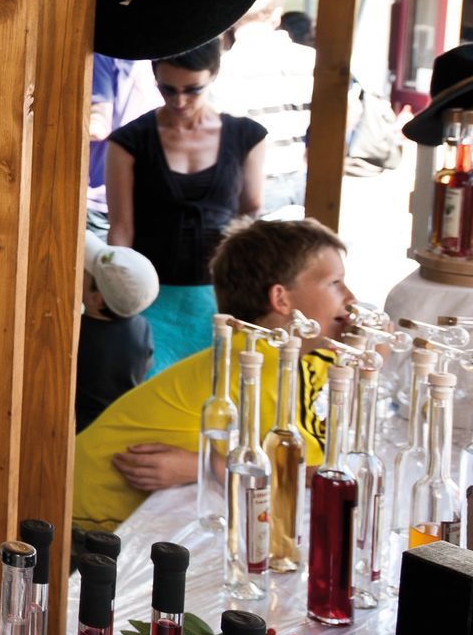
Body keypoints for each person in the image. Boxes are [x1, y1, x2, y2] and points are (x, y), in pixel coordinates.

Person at [72, 217, 354, 531]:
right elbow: (313, 474)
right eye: (335, 283)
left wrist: (204, 466)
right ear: (282, 299)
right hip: (87, 522)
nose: (351, 298)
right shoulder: (261, 362)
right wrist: (209, 466)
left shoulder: (291, 355)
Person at [107, 36, 267, 375]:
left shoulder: (247, 136)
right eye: (167, 89)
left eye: (192, 89)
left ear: (213, 75)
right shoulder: (129, 141)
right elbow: (121, 229)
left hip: (220, 298)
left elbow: (251, 211)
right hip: (149, 296)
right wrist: (114, 296)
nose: (179, 100)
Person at [212, 0, 314, 214]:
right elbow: (351, 108)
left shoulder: (224, 68)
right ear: (276, 17)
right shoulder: (311, 60)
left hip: (250, 182)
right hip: (304, 177)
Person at [76, 232, 159, 432]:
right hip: (117, 425)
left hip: (80, 431)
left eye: (85, 270)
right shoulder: (142, 327)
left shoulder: (78, 334)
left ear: (97, 299)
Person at [86, 53, 163, 238]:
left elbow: (98, 126)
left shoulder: (104, 55)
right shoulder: (159, 55)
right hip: (140, 197)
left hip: (99, 199)